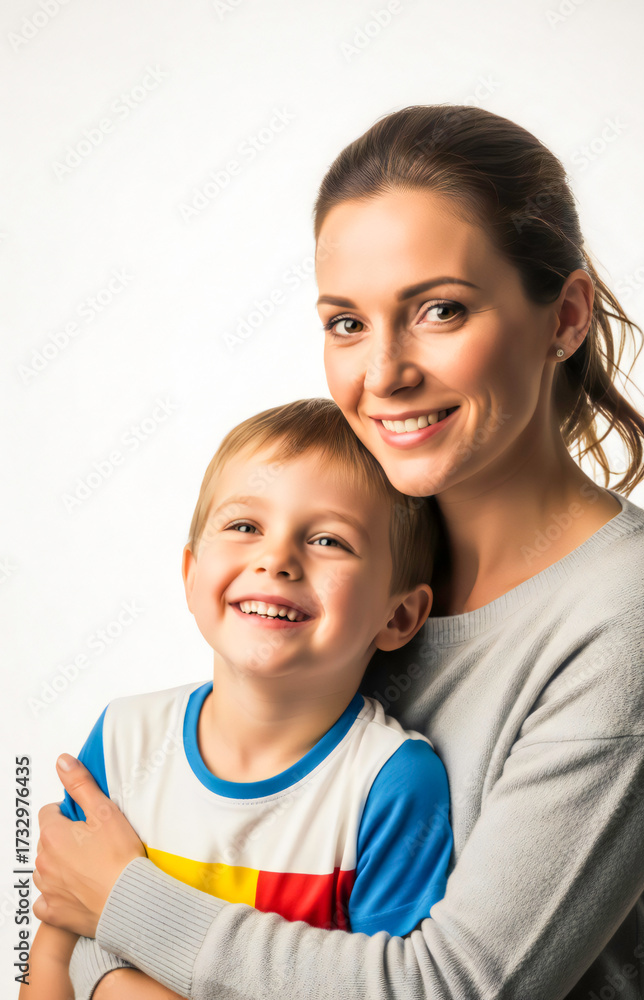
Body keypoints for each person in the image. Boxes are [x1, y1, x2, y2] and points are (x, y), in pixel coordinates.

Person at [34, 104, 644, 1000]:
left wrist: (121, 920)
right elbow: (137, 878)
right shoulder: (344, 552)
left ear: (565, 317)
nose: (382, 373)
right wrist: (94, 933)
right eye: (346, 322)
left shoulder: (636, 612)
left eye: (439, 310)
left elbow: (458, 988)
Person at [23, 398, 454, 999]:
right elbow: (56, 943)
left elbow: (385, 986)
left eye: (328, 540)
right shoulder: (125, 736)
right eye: (245, 527)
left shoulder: (391, 782)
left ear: (399, 615)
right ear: (191, 574)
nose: (276, 560)